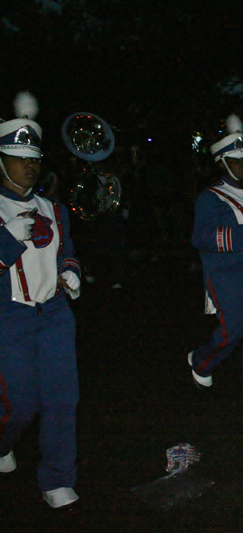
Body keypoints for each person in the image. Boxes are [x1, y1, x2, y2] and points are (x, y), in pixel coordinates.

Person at [0, 92, 82, 509]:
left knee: (62, 398)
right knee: (21, 402)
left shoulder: (53, 207)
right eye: (19, 157)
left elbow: (65, 248)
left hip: (54, 314)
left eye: (33, 158)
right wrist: (5, 242)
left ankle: (57, 478)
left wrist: (71, 271)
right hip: (8, 316)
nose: (29, 165)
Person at [188, 114, 243, 408]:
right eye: (235, 160)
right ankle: (201, 361)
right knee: (232, 329)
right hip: (228, 272)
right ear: (222, 162)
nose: (242, 165)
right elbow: (200, 237)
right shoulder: (211, 197)